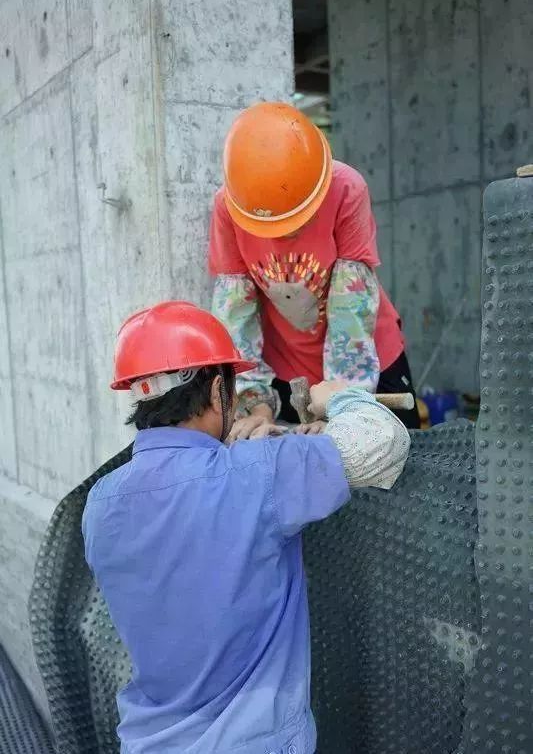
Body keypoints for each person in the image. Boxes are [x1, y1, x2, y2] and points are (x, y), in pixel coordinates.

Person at [82, 300, 410, 754]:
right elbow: (383, 442)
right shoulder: (256, 476)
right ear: (218, 391)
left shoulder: (100, 504)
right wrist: (338, 397)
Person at [209, 101, 421, 441]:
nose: (285, 236)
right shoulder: (229, 208)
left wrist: (341, 403)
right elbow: (235, 316)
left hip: (366, 357)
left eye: (297, 221)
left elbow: (351, 308)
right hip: (289, 369)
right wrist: (256, 405)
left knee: (398, 467)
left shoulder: (346, 189)